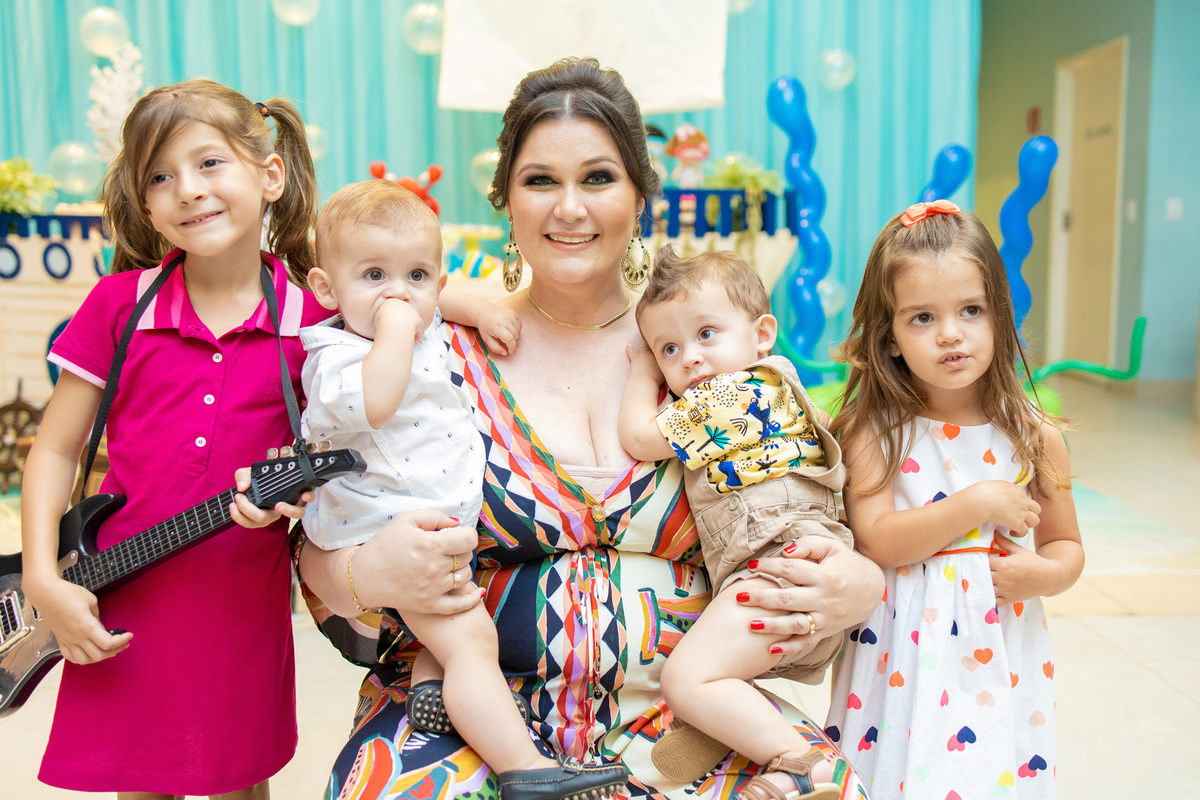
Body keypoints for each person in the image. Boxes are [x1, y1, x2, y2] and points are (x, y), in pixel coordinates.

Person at [293, 57, 881, 800]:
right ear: (506, 199)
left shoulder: (700, 348)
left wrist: (858, 581)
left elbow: (817, 502)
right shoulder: (428, 354)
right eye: (540, 180)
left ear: (640, 195)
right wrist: (365, 573)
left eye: (598, 178)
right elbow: (320, 527)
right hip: (473, 726)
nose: (569, 207)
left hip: (685, 724)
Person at [20, 78, 327, 798]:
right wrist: (41, 579)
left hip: (238, 612)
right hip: (119, 597)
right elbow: (55, 449)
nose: (187, 190)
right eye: (159, 177)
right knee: (140, 783)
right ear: (145, 204)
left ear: (270, 176)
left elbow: (407, 295)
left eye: (209, 163)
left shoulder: (314, 321)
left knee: (237, 784)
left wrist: (300, 493)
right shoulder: (117, 305)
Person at [299, 178, 626, 798]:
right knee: (473, 641)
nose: (397, 294)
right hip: (390, 534)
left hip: (439, 525)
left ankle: (433, 686)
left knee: (452, 638)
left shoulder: (420, 320)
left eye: (417, 276)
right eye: (374, 276)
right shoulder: (338, 358)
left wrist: (479, 311)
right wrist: (399, 326)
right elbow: (378, 398)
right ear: (325, 289)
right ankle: (524, 768)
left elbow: (434, 298)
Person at [824, 201, 1084, 799]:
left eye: (971, 310)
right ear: (888, 336)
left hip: (999, 644)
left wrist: (1042, 575)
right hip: (898, 652)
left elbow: (1067, 546)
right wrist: (977, 504)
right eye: (922, 317)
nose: (950, 333)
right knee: (894, 772)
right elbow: (877, 540)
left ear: (1000, 315)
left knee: (990, 772)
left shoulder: (1032, 434)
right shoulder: (875, 430)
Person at [617, 246, 852, 800]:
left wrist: (643, 369)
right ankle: (722, 725)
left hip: (779, 568)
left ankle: (799, 764)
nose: (690, 359)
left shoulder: (736, 393)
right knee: (714, 669)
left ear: (762, 334)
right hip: (788, 567)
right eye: (669, 348)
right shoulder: (777, 384)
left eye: (706, 334)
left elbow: (639, 438)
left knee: (686, 677)